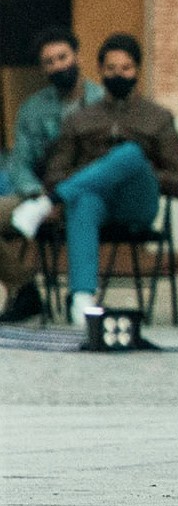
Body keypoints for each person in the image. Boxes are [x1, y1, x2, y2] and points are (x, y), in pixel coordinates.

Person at [33, 34, 178, 324]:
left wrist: (126, 169)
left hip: (138, 201)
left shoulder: (158, 118)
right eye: (111, 69)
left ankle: (46, 205)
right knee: (83, 199)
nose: (118, 75)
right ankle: (82, 299)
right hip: (97, 205)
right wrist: (99, 173)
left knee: (130, 154)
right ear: (100, 70)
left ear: (137, 71)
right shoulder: (79, 120)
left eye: (126, 69)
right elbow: (54, 174)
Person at [0, 28, 106, 322]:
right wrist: (37, 196)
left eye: (63, 57)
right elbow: (18, 163)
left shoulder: (102, 102)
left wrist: (64, 197)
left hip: (87, 197)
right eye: (49, 62)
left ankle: (81, 296)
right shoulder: (33, 109)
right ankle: (24, 288)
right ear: (42, 68)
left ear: (78, 56)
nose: (58, 66)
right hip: (39, 197)